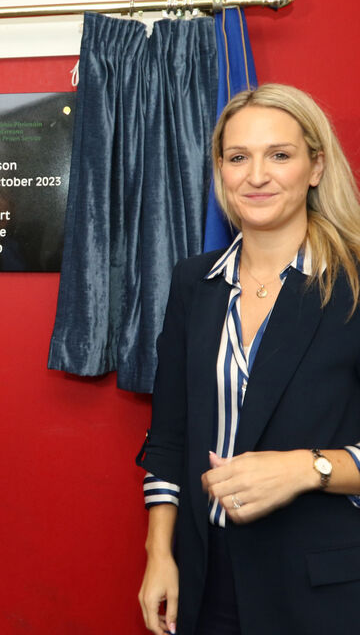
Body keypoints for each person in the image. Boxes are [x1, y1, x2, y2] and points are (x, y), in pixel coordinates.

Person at [137, 83, 360, 635]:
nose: (256, 176)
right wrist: (159, 553)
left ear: (316, 166)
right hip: (206, 579)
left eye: (279, 155)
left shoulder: (353, 283)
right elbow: (169, 436)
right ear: (220, 169)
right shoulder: (194, 282)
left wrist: (307, 468)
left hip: (325, 589)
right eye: (238, 157)